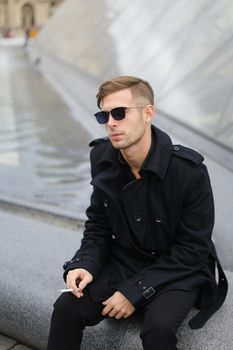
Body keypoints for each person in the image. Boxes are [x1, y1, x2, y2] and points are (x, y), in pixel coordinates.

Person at [47, 76, 228, 350]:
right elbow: (98, 224)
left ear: (148, 113)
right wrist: (83, 264)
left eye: (119, 112)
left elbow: (193, 249)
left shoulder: (188, 172)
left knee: (158, 330)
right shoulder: (102, 157)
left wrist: (135, 291)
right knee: (66, 307)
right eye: (103, 115)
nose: (111, 122)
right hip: (127, 260)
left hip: (178, 269)